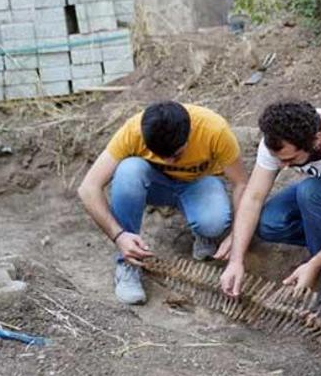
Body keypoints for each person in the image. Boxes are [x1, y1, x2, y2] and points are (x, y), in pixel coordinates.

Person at [218, 100, 321, 314]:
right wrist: (236, 261)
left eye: (291, 159)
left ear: (316, 141)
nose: (283, 166)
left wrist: (316, 263)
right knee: (269, 223)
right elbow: (254, 197)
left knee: (311, 191)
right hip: (320, 196)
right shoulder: (278, 140)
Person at [77, 101, 248, 305]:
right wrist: (119, 236)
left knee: (213, 223)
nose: (169, 163)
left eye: (176, 155)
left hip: (198, 184)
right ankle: (128, 262)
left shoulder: (214, 130)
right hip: (156, 185)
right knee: (129, 171)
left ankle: (202, 232)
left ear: (189, 135)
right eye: (161, 156)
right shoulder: (133, 130)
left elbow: (241, 184)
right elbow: (88, 188)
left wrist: (235, 236)